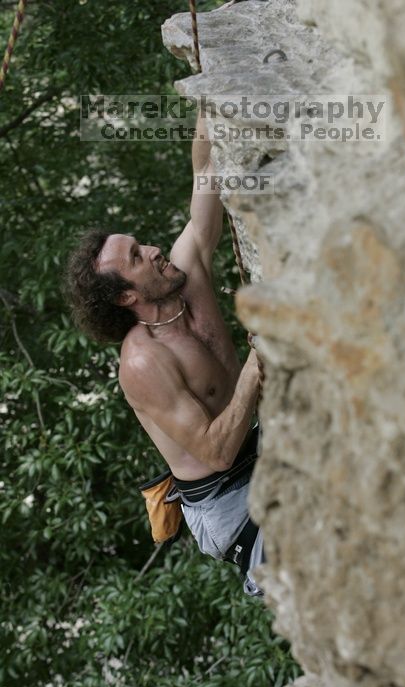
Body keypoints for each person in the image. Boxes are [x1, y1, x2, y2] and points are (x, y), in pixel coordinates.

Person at [66, 112, 264, 596]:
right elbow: (216, 452)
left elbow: (204, 177)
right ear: (126, 298)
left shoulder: (185, 276)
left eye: (140, 244)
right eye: (136, 258)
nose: (153, 250)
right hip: (231, 502)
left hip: (263, 451)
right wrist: (260, 363)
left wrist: (208, 108)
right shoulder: (143, 362)